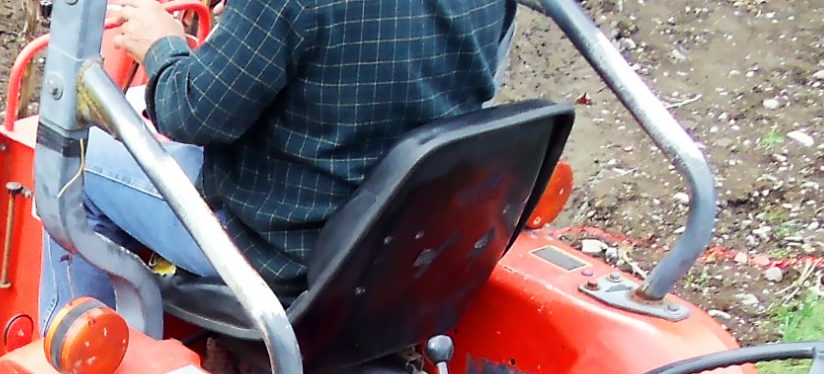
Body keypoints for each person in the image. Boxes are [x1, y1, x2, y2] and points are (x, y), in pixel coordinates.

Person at [54, 0, 518, 301]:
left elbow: (190, 113)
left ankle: (75, 368)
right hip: (412, 234)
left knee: (74, 151)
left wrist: (162, 47)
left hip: (279, 247)